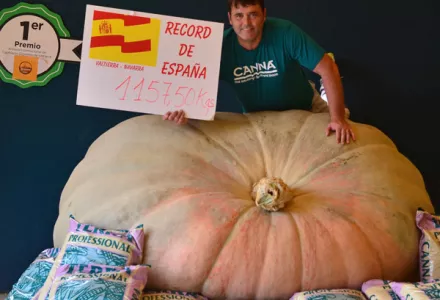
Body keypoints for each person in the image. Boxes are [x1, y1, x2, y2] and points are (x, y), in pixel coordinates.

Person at [164, 0, 355, 144]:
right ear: (230, 18)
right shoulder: (218, 47)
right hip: (259, 120)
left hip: (306, 107)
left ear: (264, 14)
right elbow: (195, 89)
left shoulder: (286, 32)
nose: (246, 22)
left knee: (344, 135)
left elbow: (329, 68)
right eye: (239, 15)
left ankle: (327, 97)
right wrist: (185, 112)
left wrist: (337, 118)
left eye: (253, 14)